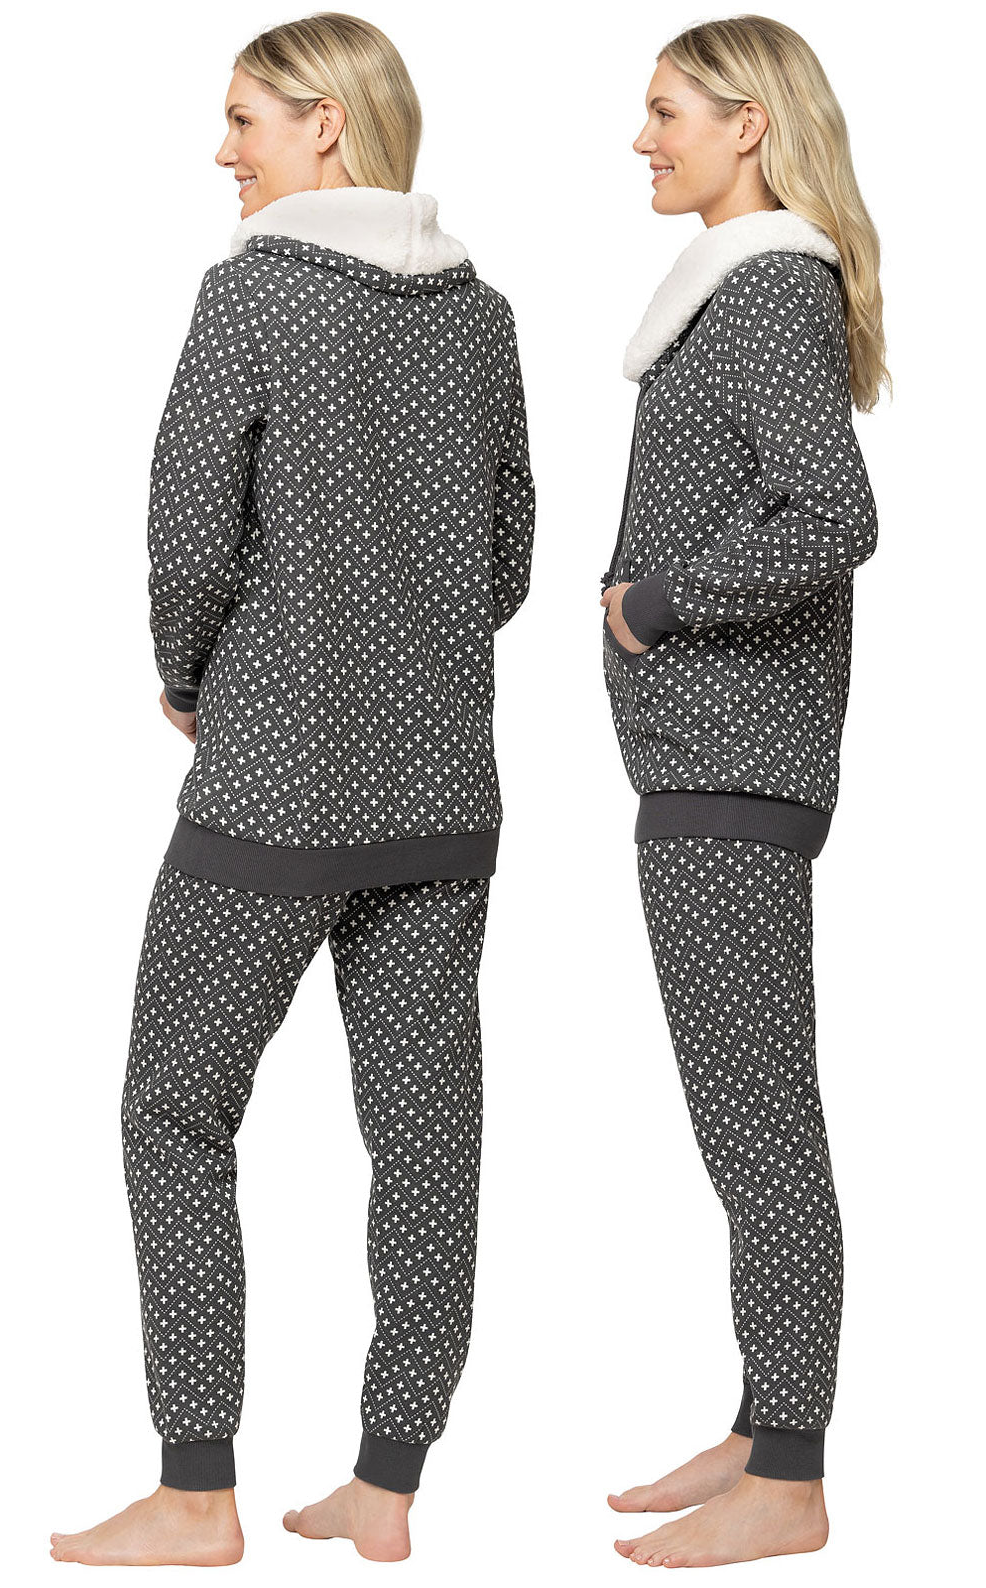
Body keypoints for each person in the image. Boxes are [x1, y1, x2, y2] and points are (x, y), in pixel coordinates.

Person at [50, 11, 533, 1568]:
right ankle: (387, 1488)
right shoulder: (482, 315)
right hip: (443, 791)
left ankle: (198, 1494)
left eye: (244, 120)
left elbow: (188, 526)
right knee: (428, 1132)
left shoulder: (253, 293)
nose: (222, 152)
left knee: (176, 1109)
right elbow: (507, 561)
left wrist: (191, 673)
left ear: (326, 123)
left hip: (273, 782)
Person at [599, 15, 885, 1569]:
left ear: (749, 125)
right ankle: (766, 1422)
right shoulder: (741, 287)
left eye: (666, 112)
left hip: (735, 758)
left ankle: (793, 1478)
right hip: (710, 758)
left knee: (761, 1122)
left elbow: (832, 513)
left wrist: (658, 605)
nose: (643, 140)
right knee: (743, 1118)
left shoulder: (769, 283)